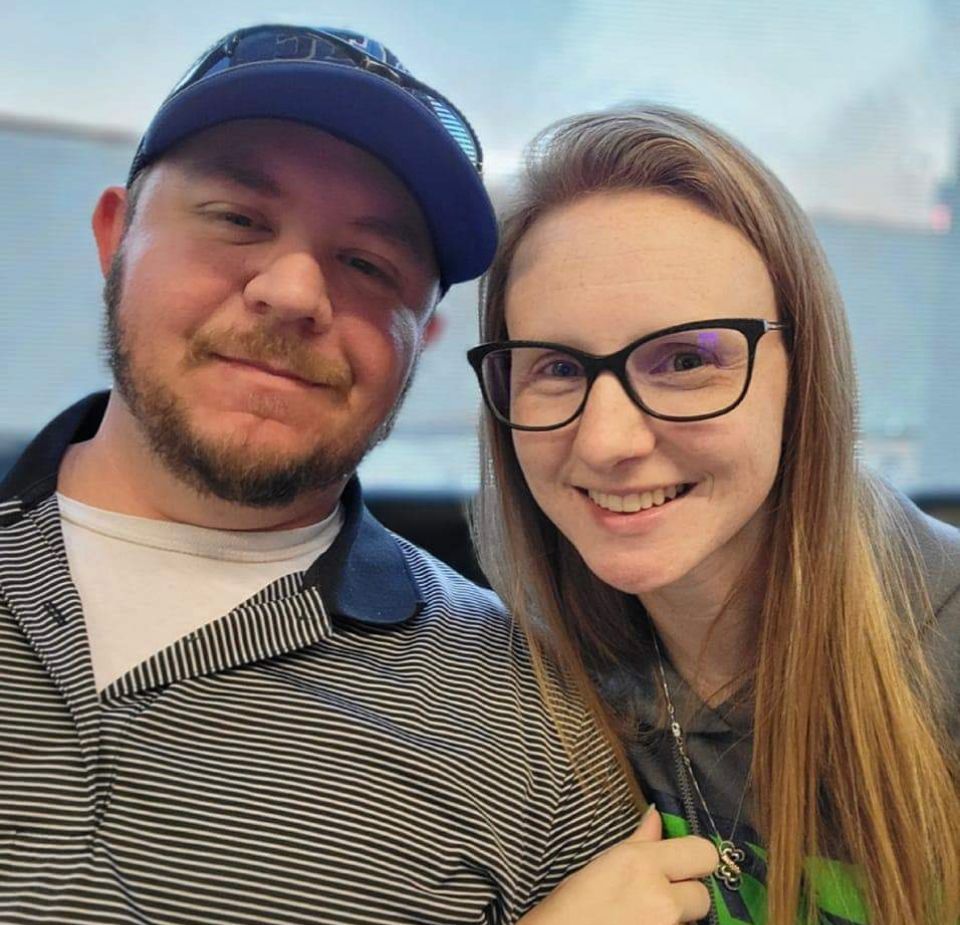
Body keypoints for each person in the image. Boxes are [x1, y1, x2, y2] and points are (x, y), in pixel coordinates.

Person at [0, 25, 653, 924]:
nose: (297, 292)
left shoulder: (539, 733)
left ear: (420, 337)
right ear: (115, 236)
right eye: (237, 218)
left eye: (367, 264)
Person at [469, 104, 960, 924]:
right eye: (556, 366)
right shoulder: (527, 679)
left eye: (687, 359)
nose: (607, 440)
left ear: (804, 374)